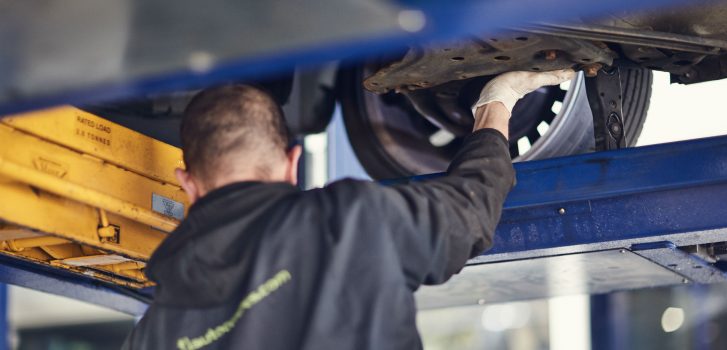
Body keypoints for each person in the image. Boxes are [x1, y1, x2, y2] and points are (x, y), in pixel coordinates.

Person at [122, 69, 575, 350]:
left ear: (187, 184)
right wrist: (495, 104)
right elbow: (470, 210)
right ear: (293, 163)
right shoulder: (350, 218)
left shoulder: (152, 337)